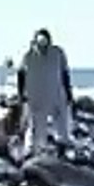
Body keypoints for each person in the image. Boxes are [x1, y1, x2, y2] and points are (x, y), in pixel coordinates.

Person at [17, 28, 73, 157]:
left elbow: (64, 73)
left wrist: (68, 92)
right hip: (37, 95)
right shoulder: (29, 56)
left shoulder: (57, 53)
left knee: (61, 123)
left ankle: (60, 151)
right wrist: (21, 95)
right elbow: (21, 74)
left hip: (56, 93)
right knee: (36, 125)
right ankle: (31, 152)